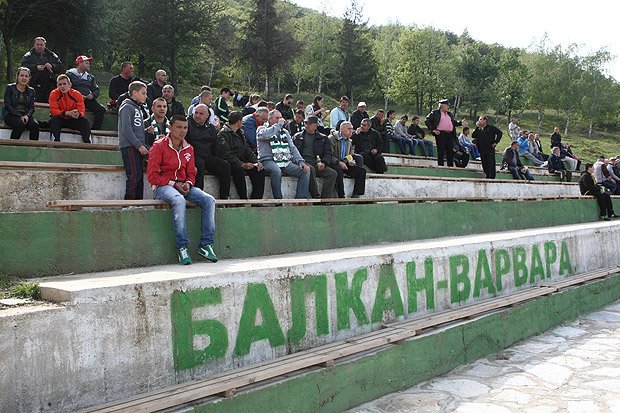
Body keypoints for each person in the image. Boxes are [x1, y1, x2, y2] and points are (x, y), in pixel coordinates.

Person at [147, 115, 218, 264]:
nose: (182, 131)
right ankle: (182, 247)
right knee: (179, 200)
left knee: (209, 200)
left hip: (182, 186)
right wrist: (174, 184)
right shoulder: (158, 146)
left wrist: (188, 183)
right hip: (162, 187)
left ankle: (206, 245)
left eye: (185, 127)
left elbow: (192, 172)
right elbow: (152, 176)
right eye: (179, 127)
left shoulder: (188, 148)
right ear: (170, 127)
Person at [256, 110, 311, 199]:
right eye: (277, 118)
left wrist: (301, 161)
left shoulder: (284, 132)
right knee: (276, 171)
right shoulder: (261, 129)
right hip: (268, 160)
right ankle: (278, 200)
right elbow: (266, 135)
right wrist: (278, 126)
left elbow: (292, 148)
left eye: (281, 117)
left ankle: (301, 199)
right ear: (270, 119)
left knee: (305, 171)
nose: (280, 120)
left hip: (284, 160)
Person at [217, 111, 265, 199]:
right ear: (239, 121)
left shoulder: (240, 133)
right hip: (231, 163)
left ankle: (256, 200)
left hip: (241, 160)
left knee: (259, 171)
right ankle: (243, 198)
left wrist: (256, 161)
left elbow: (246, 149)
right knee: (239, 170)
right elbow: (226, 154)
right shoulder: (223, 135)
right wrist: (242, 164)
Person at [185, 104, 231, 195]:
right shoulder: (187, 125)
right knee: (200, 165)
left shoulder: (211, 128)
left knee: (225, 166)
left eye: (201, 114)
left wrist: (217, 158)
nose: (197, 116)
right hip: (192, 156)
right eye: (196, 113)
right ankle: (198, 195)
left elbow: (215, 146)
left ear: (207, 116)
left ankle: (224, 197)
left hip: (207, 156)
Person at [293, 115, 337, 198]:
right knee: (310, 170)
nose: (306, 125)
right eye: (305, 123)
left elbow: (328, 153)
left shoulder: (323, 138)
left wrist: (324, 162)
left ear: (315, 125)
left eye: (309, 123)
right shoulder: (297, 137)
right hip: (303, 162)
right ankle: (315, 196)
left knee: (332, 173)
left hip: (317, 162)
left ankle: (325, 198)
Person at [118, 81, 149, 200]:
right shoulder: (126, 107)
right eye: (143, 93)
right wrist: (139, 145)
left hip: (137, 146)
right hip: (130, 146)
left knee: (139, 175)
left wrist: (146, 130)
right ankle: (129, 202)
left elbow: (136, 127)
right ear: (134, 93)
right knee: (134, 175)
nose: (145, 96)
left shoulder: (138, 108)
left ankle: (139, 202)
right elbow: (126, 129)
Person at [66, 55, 106, 130]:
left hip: (87, 99)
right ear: (80, 63)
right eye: (87, 63)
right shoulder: (69, 74)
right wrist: (77, 95)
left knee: (101, 110)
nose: (89, 65)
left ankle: (95, 130)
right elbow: (65, 87)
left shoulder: (90, 77)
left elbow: (96, 89)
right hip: (73, 99)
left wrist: (92, 95)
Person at [48, 74, 91, 143]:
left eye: (64, 84)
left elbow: (82, 110)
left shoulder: (77, 94)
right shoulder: (54, 94)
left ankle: (87, 143)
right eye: (60, 84)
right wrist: (67, 113)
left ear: (70, 85)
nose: (62, 86)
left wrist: (77, 114)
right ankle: (55, 141)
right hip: (60, 118)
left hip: (73, 119)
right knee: (53, 120)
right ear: (57, 86)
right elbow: (53, 110)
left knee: (85, 122)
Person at [328, 121, 366, 198]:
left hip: (344, 163)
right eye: (349, 129)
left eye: (352, 129)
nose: (351, 131)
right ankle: (341, 195)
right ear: (342, 129)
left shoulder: (349, 141)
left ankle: (356, 194)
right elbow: (328, 155)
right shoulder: (331, 139)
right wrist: (339, 162)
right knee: (338, 170)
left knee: (362, 171)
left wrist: (350, 161)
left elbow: (348, 154)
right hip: (333, 163)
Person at [425, 99, 467, 167]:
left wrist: (460, 123)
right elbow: (427, 121)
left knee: (450, 151)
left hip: (449, 134)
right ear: (442, 105)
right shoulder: (435, 113)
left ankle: (450, 166)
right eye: (447, 105)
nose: (448, 107)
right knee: (441, 150)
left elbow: (453, 122)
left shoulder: (449, 114)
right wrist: (433, 129)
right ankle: (440, 166)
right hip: (440, 134)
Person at [2, 67, 39, 140]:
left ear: (29, 78)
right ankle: (12, 147)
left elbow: (31, 107)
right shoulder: (10, 88)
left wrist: (27, 116)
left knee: (35, 125)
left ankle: (33, 149)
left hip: (25, 115)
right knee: (20, 125)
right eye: (21, 75)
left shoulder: (31, 91)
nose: (24, 78)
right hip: (10, 114)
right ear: (17, 76)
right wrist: (19, 116)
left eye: (26, 76)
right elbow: (8, 105)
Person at [21, 37, 62, 102]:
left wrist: (52, 66)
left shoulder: (52, 55)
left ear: (45, 45)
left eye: (41, 45)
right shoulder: (28, 56)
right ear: (34, 45)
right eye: (37, 45)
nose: (39, 47)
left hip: (49, 86)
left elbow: (60, 66)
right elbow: (23, 66)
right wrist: (35, 67)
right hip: (33, 85)